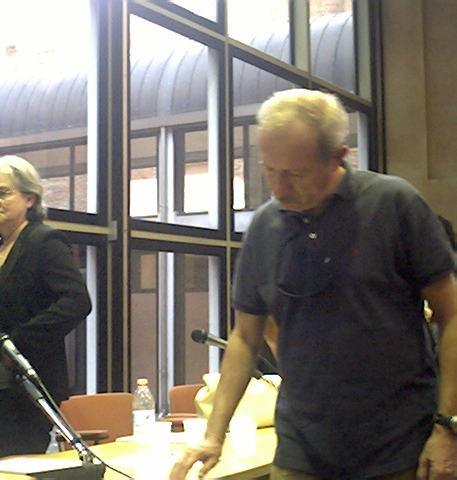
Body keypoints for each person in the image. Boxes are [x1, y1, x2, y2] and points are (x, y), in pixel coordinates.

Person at [169, 89, 457, 480]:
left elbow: (451, 316)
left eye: (295, 173)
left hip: (399, 447)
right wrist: (213, 436)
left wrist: (447, 425)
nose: (278, 188)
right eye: (269, 169)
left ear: (338, 157)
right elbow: (245, 337)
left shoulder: (394, 204)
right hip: (302, 450)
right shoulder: (265, 227)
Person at [0, 155, 92, 460]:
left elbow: (76, 302)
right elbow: (0, 314)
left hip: (27, 385)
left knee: (18, 469)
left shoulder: (44, 241)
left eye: (3, 193)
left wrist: (16, 343)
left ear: (30, 198)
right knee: (0, 468)